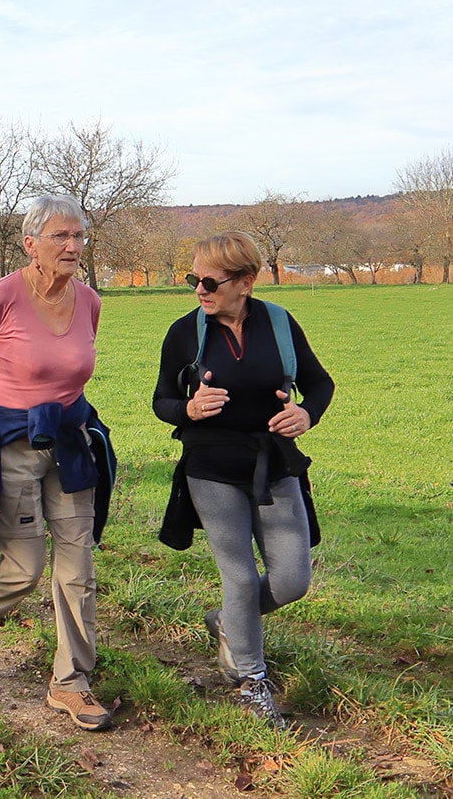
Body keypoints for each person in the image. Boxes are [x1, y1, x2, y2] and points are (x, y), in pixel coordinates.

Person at [0, 194, 115, 731]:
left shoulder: (89, 301)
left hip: (69, 443)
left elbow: (74, 371)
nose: (73, 245)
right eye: (61, 236)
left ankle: (71, 682)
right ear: (30, 244)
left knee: (77, 567)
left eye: (79, 236)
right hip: (10, 446)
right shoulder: (1, 297)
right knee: (24, 567)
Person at [152, 230, 334, 730]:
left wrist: (307, 414)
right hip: (210, 467)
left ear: (246, 283)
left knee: (293, 580)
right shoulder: (185, 333)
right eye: (193, 279)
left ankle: (228, 622)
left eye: (210, 282)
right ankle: (252, 682)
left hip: (274, 464)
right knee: (237, 576)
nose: (199, 290)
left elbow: (320, 383)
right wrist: (188, 409)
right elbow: (162, 401)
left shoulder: (279, 324)